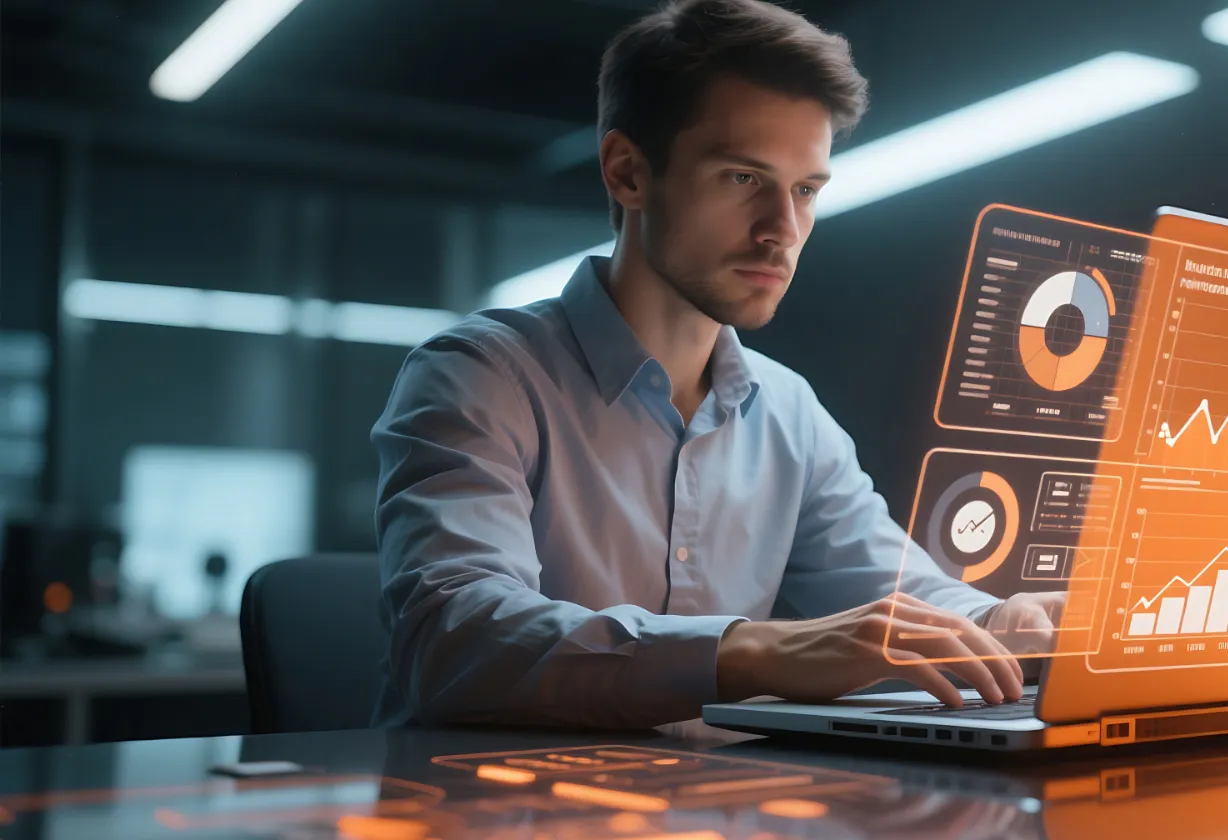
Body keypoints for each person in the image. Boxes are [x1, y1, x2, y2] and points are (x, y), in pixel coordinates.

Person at [369, 0, 1058, 729]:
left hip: (702, 807)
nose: (781, 232)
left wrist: (1005, 619)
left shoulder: (788, 410)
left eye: (805, 190)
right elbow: (452, 635)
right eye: (742, 179)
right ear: (628, 173)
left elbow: (907, 600)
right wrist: (752, 652)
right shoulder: (480, 375)